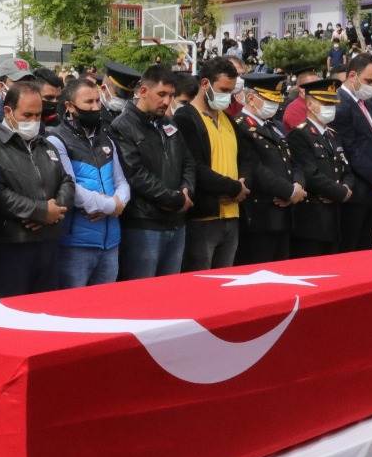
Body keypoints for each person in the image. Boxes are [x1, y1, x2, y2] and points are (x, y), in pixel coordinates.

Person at [0, 82, 73, 297]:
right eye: (27, 115)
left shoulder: (45, 145)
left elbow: (67, 181)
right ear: (8, 111)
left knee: (45, 312)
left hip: (47, 242)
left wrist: (54, 210)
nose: (33, 122)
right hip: (11, 244)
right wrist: (39, 210)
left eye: (38, 115)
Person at [111, 66, 195, 279]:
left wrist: (187, 189)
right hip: (144, 223)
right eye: (161, 94)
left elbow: (188, 161)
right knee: (142, 296)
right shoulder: (122, 126)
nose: (167, 101)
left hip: (176, 223)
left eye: (171, 95)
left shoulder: (168, 123)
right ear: (144, 92)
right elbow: (135, 174)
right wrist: (176, 199)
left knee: (169, 295)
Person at [48, 78, 130, 287]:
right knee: (74, 309)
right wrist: (111, 206)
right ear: (70, 106)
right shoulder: (57, 140)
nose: (95, 107)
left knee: (104, 310)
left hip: (110, 242)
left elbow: (122, 182)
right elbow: (71, 188)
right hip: (76, 244)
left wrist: (115, 205)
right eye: (88, 103)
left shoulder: (106, 139)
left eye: (97, 101)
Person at [178, 57, 247, 270]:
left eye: (231, 91)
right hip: (203, 218)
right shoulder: (186, 118)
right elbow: (195, 166)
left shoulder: (228, 119)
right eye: (223, 90)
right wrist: (233, 187)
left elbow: (246, 158)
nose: (227, 97)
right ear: (205, 83)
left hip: (232, 215)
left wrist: (243, 184)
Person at [234, 73, 304, 264]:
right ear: (251, 98)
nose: (274, 105)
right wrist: (288, 191)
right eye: (268, 99)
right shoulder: (241, 127)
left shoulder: (276, 127)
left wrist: (297, 186)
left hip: (284, 213)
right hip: (260, 215)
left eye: (276, 99)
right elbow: (255, 168)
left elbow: (293, 161)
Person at [287, 78, 352, 258]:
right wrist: (339, 192)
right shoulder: (300, 134)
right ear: (310, 104)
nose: (330, 107)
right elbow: (309, 172)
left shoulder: (333, 135)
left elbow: (346, 168)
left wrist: (346, 188)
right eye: (325, 103)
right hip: (312, 219)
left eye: (332, 103)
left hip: (335, 216)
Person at [332, 55, 372, 252]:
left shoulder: (369, 103)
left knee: (366, 252)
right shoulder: (340, 105)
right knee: (351, 250)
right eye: (368, 81)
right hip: (356, 190)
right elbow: (350, 150)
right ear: (352, 76)